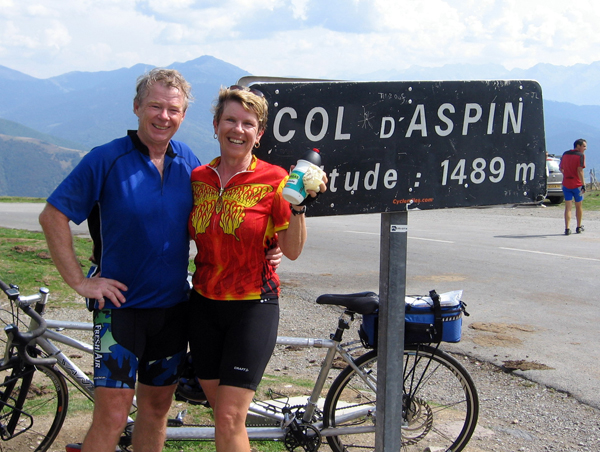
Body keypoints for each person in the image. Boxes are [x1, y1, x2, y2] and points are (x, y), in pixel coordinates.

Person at [187, 85, 327, 452]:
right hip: (202, 305)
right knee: (223, 415)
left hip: (252, 306)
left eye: (248, 123)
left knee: (231, 416)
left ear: (259, 133)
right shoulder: (198, 178)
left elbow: (292, 250)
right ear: (216, 125)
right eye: (230, 120)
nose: (238, 129)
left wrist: (298, 208)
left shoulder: (276, 180)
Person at [560, 138, 587, 235]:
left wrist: (566, 175)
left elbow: (561, 168)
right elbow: (580, 170)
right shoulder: (581, 156)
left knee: (568, 207)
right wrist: (583, 184)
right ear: (578, 146)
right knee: (578, 206)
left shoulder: (565, 154)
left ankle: (567, 228)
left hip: (566, 184)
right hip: (577, 185)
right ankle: (578, 226)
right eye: (584, 146)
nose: (585, 148)